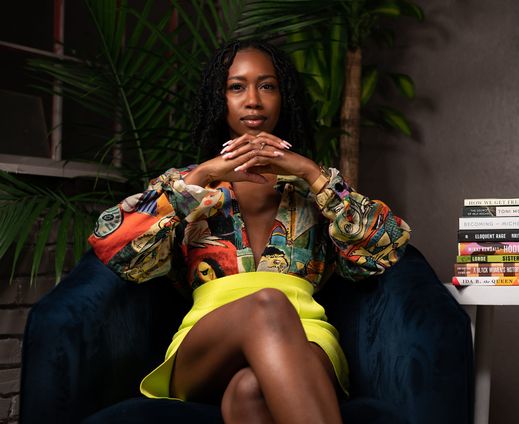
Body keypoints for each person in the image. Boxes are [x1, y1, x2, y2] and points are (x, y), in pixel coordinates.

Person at [89, 39, 411, 424]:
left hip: (307, 336)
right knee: (268, 303)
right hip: (208, 342)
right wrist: (204, 175)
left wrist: (311, 173)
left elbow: (385, 248)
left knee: (249, 391)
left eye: (267, 86)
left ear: (283, 97)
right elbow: (115, 248)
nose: (253, 100)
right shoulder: (188, 184)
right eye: (236, 86)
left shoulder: (316, 187)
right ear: (219, 97)